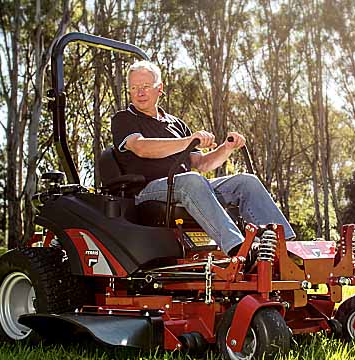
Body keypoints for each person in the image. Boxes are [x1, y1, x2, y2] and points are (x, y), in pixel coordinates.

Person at [111, 60, 295, 256]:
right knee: (191, 181)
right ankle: (239, 250)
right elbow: (141, 147)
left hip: (186, 188)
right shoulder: (124, 119)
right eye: (134, 88)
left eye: (146, 87)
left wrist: (227, 148)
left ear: (159, 88)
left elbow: (202, 164)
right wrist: (188, 141)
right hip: (147, 191)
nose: (140, 93)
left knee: (245, 182)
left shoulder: (176, 124)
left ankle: (286, 250)